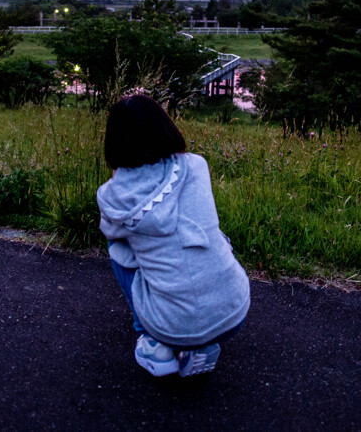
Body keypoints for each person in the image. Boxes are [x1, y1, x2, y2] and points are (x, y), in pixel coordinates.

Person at [97, 94, 250, 377]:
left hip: (171, 325)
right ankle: (200, 340)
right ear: (164, 126)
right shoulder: (196, 165)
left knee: (118, 245)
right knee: (211, 237)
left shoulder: (112, 196)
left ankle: (157, 343)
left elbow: (112, 231)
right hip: (234, 311)